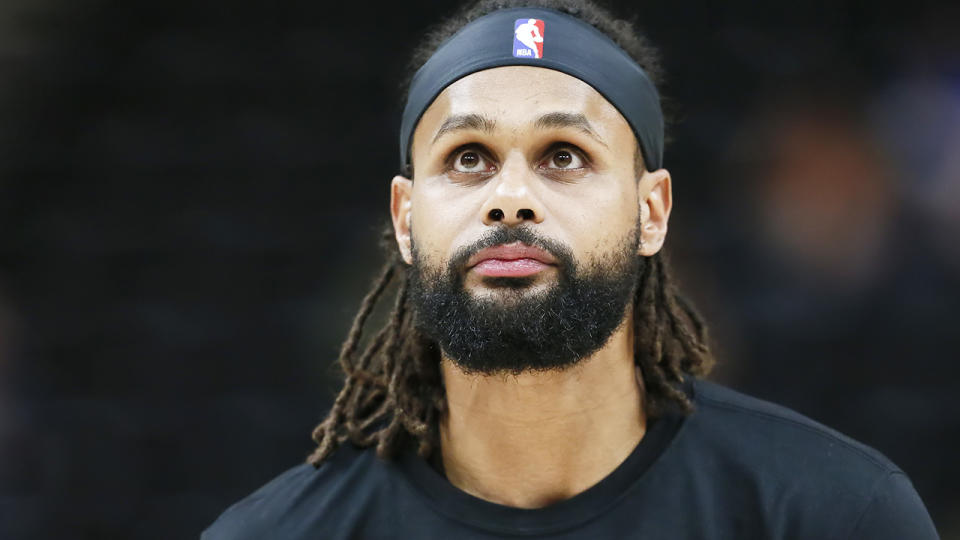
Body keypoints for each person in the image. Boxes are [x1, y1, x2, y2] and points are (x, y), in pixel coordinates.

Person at [202, 1, 939, 538]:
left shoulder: (836, 515)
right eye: (468, 159)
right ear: (403, 219)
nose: (511, 200)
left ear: (652, 213)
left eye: (565, 156)